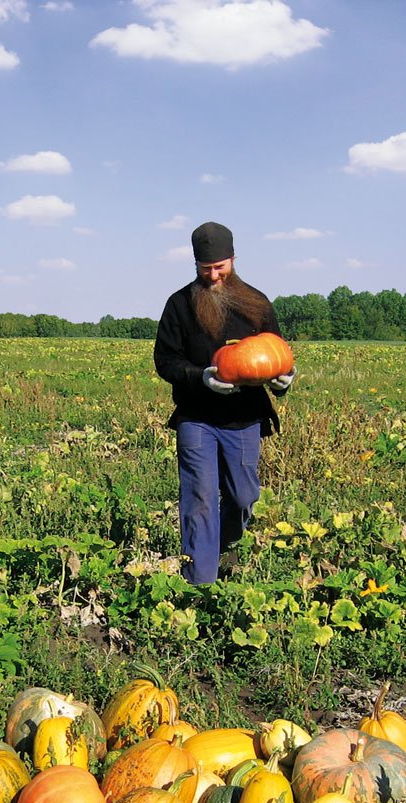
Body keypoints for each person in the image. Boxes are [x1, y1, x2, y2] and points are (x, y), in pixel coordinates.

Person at [154, 221, 294, 584]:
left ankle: (226, 548)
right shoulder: (179, 304)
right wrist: (201, 376)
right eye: (206, 269)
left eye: (220, 267)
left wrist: (283, 382)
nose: (214, 275)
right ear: (196, 265)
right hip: (196, 416)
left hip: (244, 418)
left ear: (233, 259)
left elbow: (276, 354)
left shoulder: (256, 303)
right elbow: (165, 361)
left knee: (244, 495)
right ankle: (200, 582)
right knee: (199, 497)